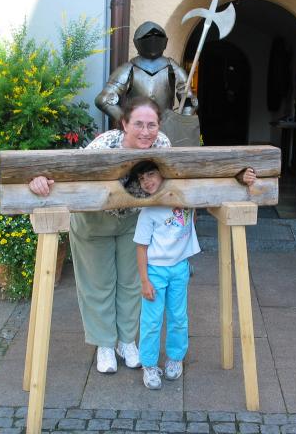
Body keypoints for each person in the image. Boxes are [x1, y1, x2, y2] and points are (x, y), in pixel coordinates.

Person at [28, 96, 172, 374]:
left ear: (159, 125)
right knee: (98, 284)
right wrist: (41, 180)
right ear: (124, 124)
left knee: (132, 283)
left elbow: (178, 177)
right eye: (138, 124)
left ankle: (126, 341)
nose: (145, 132)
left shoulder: (163, 145)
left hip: (132, 221)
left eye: (151, 125)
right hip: (94, 222)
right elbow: (72, 174)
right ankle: (105, 344)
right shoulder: (105, 145)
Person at [130, 160, 199, 389]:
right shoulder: (148, 212)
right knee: (151, 320)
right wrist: (144, 281)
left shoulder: (186, 199)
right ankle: (149, 365)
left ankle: (175, 358)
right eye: (142, 179)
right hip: (155, 272)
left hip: (179, 267)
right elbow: (141, 247)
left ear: (164, 175)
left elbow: (192, 218)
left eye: (151, 174)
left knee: (179, 317)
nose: (147, 181)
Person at [94, 21, 201, 147]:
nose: (153, 40)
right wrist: (129, 121)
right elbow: (104, 99)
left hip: (166, 129)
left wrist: (181, 125)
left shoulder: (172, 67)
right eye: (147, 37)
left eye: (158, 36)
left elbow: (189, 101)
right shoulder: (129, 68)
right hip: (135, 134)